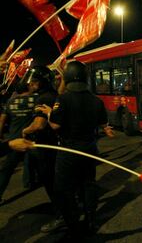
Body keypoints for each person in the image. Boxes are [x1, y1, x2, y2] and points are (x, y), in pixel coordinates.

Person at [37, 61, 114, 239]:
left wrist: (49, 113)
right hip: (89, 149)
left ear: (68, 77)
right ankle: (90, 220)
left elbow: (55, 125)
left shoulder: (62, 99)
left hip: (68, 151)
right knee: (88, 185)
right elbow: (103, 123)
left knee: (63, 189)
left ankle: (72, 224)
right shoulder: (96, 100)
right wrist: (106, 129)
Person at [19, 65, 62, 233]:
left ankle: (61, 216)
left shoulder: (42, 98)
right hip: (56, 145)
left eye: (35, 81)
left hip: (46, 147)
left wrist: (25, 131)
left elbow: (39, 124)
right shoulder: (53, 95)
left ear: (43, 82)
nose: (31, 85)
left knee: (51, 183)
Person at [0, 81, 38, 204]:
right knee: (45, 168)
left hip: (14, 140)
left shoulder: (10, 102)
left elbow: (2, 120)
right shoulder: (36, 99)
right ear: (27, 87)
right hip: (32, 139)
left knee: (6, 171)